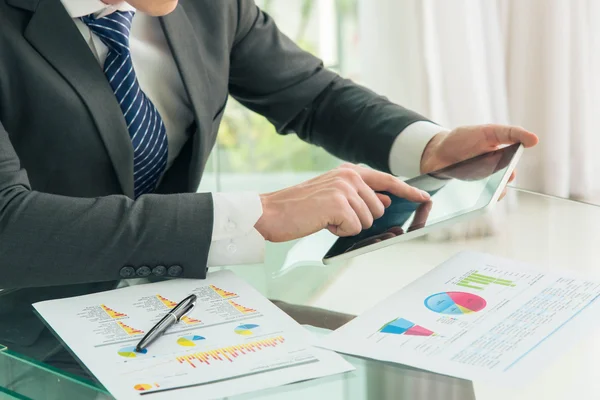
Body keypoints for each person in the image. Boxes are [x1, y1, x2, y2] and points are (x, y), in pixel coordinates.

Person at [0, 0, 539, 371]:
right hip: (19, 325)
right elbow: (7, 226)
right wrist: (254, 214)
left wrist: (427, 147)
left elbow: (309, 95)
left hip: (162, 312)